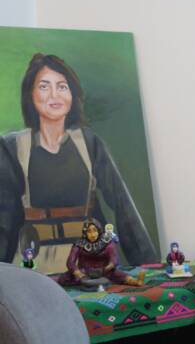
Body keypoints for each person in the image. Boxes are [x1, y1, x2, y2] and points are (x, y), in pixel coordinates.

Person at [0, 53, 158, 273]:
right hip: (35, 266)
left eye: (62, 87)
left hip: (90, 261)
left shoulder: (89, 144)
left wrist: (150, 268)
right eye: (44, 87)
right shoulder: (12, 147)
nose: (54, 95)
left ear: (72, 94)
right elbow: (4, 220)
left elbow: (123, 205)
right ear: (30, 94)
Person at [58, 218, 145, 286]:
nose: (92, 235)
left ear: (99, 230)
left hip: (104, 271)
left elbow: (114, 259)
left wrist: (107, 268)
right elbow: (70, 262)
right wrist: (78, 273)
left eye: (94, 230)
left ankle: (135, 281)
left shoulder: (107, 242)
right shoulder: (79, 244)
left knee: (118, 274)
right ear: (85, 232)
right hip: (84, 272)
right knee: (64, 278)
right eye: (89, 231)